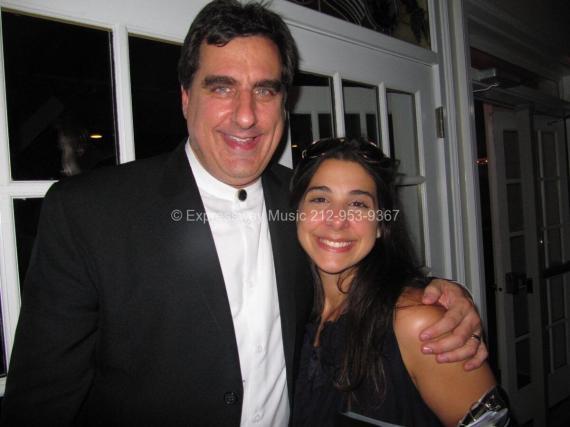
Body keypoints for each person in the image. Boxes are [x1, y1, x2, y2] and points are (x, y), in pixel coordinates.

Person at [2, 1, 486, 426]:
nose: (247, 115)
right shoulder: (89, 212)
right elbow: (40, 401)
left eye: (265, 91)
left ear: (284, 103)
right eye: (222, 88)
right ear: (186, 98)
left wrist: (439, 295)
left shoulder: (305, 203)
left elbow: (358, 273)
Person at [290, 137, 509, 427]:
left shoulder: (420, 323)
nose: (337, 220)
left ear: (380, 225)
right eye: (320, 199)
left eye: (358, 204)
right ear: (296, 213)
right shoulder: (292, 308)